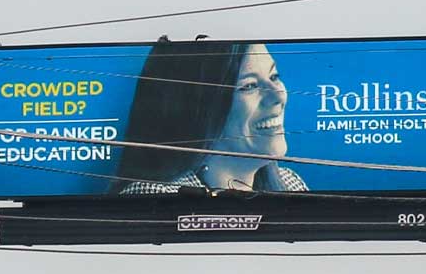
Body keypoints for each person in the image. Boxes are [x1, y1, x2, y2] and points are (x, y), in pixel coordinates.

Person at [113, 41, 308, 195]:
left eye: (274, 77)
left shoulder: (290, 183)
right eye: (249, 86)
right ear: (200, 107)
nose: (278, 96)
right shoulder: (156, 194)